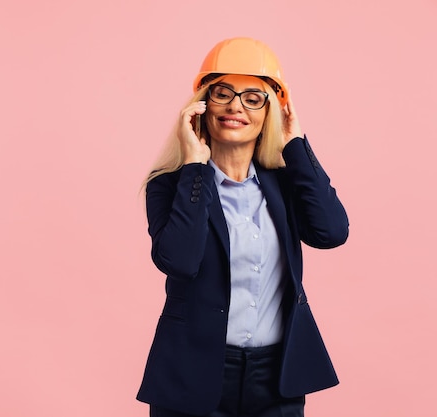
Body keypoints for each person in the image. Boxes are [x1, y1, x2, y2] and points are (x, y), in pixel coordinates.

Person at [136, 37, 349, 417]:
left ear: (272, 112)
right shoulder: (170, 185)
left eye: (254, 98)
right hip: (193, 376)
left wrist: (295, 144)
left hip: (276, 378)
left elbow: (331, 232)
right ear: (201, 105)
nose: (236, 105)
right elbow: (180, 261)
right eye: (223, 93)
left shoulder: (284, 184)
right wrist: (195, 167)